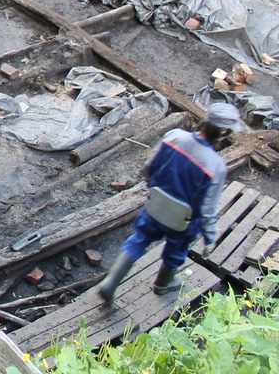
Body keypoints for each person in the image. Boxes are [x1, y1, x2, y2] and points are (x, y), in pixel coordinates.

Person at [97, 103, 243, 304]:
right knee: (176, 249)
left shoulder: (175, 136)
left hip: (156, 205)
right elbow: (207, 209)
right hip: (182, 221)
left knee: (139, 239)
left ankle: (111, 281)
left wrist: (153, 188)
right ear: (223, 133)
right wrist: (209, 237)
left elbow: (149, 167)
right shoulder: (215, 166)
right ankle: (163, 284)